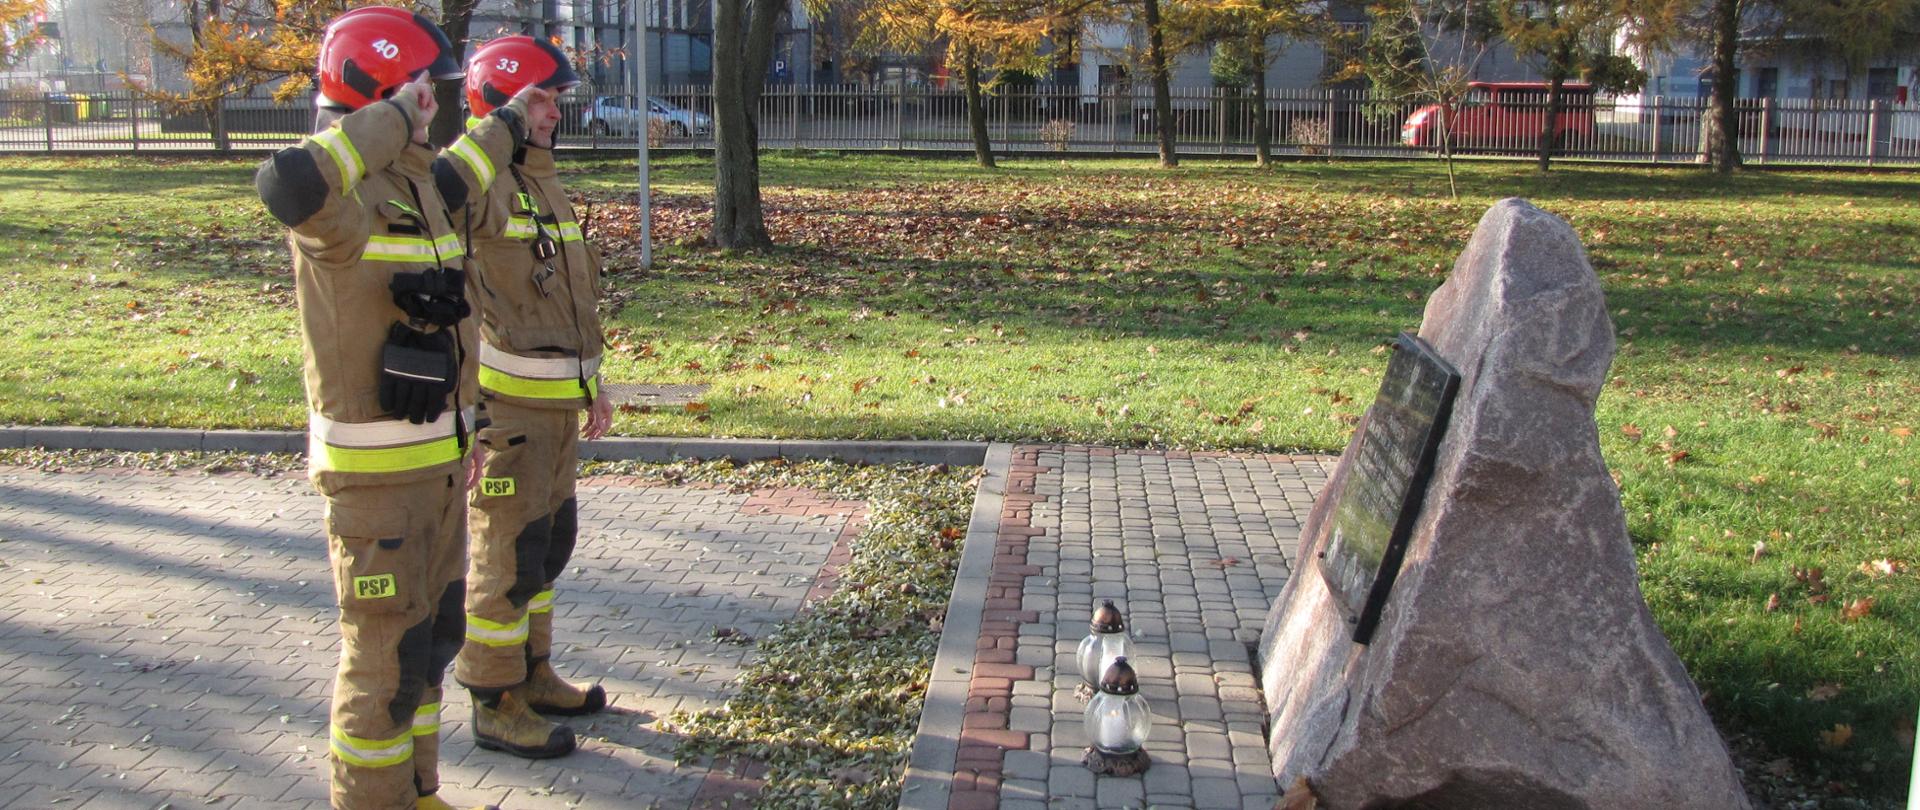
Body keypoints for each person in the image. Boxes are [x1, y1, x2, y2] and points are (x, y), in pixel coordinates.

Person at [253, 8, 537, 809]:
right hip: (377, 481)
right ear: (381, 95)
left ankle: (416, 791)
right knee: (381, 662)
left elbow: (457, 319)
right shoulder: (337, 200)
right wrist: (381, 114)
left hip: (439, 466)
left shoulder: (415, 185)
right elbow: (287, 185)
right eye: (422, 93)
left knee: (429, 642)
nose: (435, 108)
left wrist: (471, 424)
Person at [431, 35, 612, 761]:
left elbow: (567, 299)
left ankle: (535, 674)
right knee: (505, 558)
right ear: (498, 103)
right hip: (507, 417)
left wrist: (592, 385)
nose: (552, 115)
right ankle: (493, 698)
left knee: (545, 549)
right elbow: (447, 198)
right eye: (539, 100)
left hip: (557, 412)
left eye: (556, 101)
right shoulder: (477, 183)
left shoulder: (541, 180)